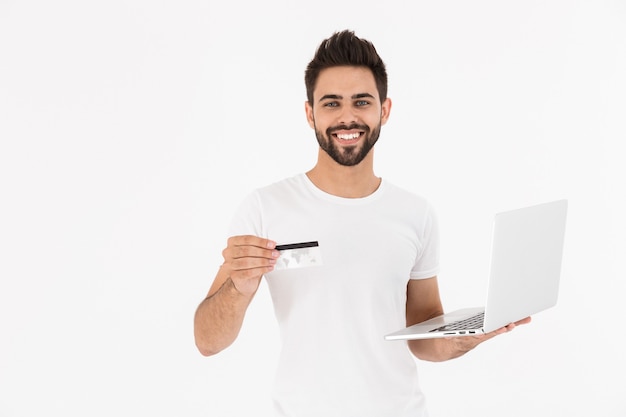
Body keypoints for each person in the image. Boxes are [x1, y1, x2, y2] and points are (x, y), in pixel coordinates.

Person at [193, 29, 530, 417]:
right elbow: (207, 341)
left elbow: (423, 338)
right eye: (331, 103)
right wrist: (239, 285)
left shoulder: (415, 213)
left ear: (384, 110)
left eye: (362, 102)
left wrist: (473, 334)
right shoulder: (265, 208)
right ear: (310, 113)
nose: (347, 117)